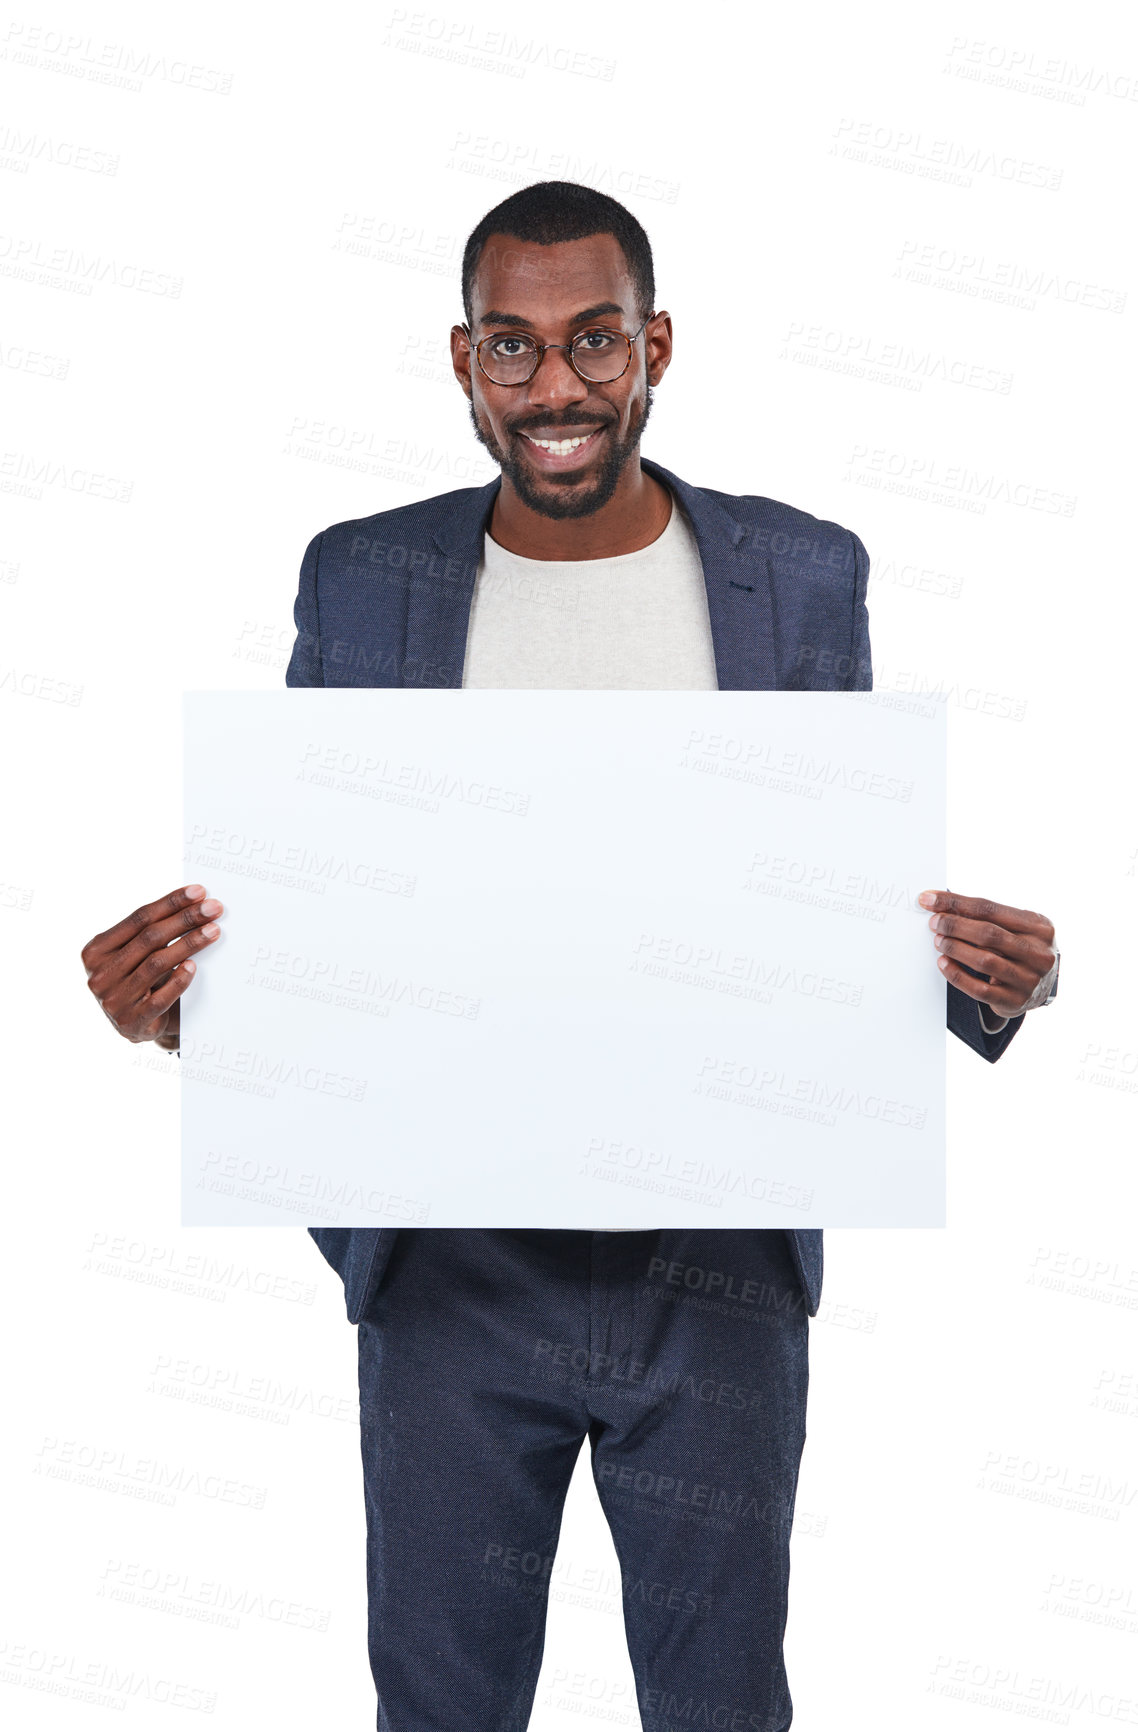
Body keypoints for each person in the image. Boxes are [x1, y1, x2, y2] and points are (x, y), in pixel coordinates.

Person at [82, 183, 1059, 1732]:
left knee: (721, 1704)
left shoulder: (799, 578)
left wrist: (992, 979)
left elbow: (829, 902)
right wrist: (180, 1012)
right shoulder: (360, 578)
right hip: (449, 1267)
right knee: (443, 1708)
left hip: (717, 1265)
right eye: (512, 347)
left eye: (592, 341)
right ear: (462, 362)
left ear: (654, 345)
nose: (554, 389)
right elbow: (314, 921)